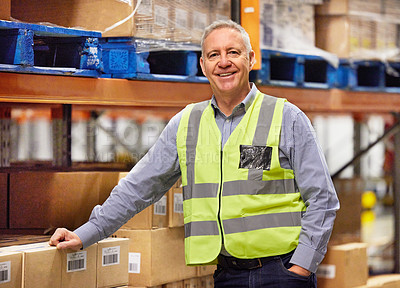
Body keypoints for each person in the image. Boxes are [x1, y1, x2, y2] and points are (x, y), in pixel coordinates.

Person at [50, 20, 339, 288]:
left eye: (233, 52)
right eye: (213, 55)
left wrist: (302, 265)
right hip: (227, 274)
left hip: (282, 273)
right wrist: (87, 233)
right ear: (203, 65)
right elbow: (139, 187)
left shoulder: (286, 117)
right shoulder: (186, 123)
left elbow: (323, 198)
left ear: (251, 59)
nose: (223, 62)